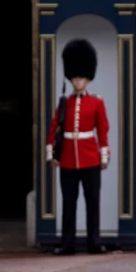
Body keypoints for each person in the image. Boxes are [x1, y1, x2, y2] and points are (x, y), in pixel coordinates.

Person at [46, 38, 110, 256]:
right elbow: (54, 128)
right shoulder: (64, 103)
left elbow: (102, 130)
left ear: (87, 78)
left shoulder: (97, 102)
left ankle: (94, 242)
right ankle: (67, 244)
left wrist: (104, 155)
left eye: (81, 77)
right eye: (74, 77)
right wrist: (52, 153)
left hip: (90, 158)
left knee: (93, 204)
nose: (77, 81)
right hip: (67, 159)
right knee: (68, 205)